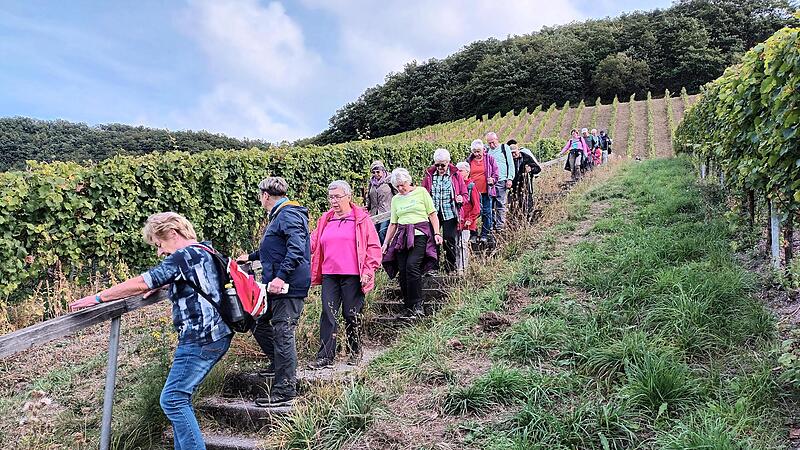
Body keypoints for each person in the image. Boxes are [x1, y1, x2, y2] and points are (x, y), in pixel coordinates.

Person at [69, 212, 233, 450]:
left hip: (200, 337)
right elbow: (200, 282)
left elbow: (142, 282)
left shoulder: (182, 256)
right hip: (219, 333)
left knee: (173, 400)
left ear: (173, 233)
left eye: (159, 244)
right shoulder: (206, 251)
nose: (159, 252)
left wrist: (97, 297)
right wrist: (168, 283)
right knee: (178, 398)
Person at [238, 176, 310, 407]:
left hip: (287, 285)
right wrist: (249, 257)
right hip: (276, 284)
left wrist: (280, 276)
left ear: (265, 196)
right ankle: (277, 365)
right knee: (258, 323)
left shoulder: (288, 214)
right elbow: (274, 248)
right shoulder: (280, 215)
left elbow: (296, 248)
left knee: (282, 332)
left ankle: (285, 390)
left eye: (260, 196)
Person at [308, 180, 381, 369]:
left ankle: (355, 351)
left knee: (351, 314)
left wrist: (368, 269)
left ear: (348, 197)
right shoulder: (325, 219)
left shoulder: (361, 219)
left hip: (353, 275)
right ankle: (325, 356)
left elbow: (373, 247)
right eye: (330, 197)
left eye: (337, 197)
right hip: (329, 274)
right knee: (328, 313)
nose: (333, 201)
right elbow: (312, 242)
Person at [381, 168, 442, 318]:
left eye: (403, 185)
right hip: (402, 236)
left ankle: (418, 305)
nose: (401, 189)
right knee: (402, 271)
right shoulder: (396, 199)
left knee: (412, 266)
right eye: (397, 187)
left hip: (420, 234)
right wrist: (385, 243)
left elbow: (432, 214)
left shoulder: (421, 192)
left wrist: (436, 233)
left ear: (409, 181)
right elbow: (393, 223)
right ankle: (407, 306)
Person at [421, 148, 467, 273]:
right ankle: (433, 267)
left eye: (443, 164)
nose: (440, 167)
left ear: (448, 162)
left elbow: (464, 194)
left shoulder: (456, 176)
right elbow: (422, 193)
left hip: (450, 212)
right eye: (437, 164)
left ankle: (450, 268)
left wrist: (460, 198)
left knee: (449, 239)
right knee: (432, 240)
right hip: (433, 213)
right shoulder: (429, 175)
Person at [467, 139, 499, 242]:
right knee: (473, 212)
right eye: (474, 152)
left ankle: (485, 234)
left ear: (483, 150)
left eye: (478, 151)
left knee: (487, 212)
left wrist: (493, 180)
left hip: (486, 190)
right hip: (473, 192)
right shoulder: (469, 160)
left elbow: (496, 172)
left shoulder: (489, 158)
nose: (477, 154)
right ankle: (473, 233)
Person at [485, 132, 516, 232]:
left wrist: (510, 178)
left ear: (497, 140)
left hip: (502, 180)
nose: (491, 145)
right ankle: (492, 225)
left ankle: (500, 225)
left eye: (493, 142)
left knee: (501, 203)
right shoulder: (488, 151)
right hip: (491, 182)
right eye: (489, 143)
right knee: (491, 204)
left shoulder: (504, 148)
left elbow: (510, 164)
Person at [455, 161, 480, 273]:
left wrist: (470, 219)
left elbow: (477, 207)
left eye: (461, 171)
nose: (458, 173)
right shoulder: (454, 186)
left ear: (467, 172)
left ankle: (463, 269)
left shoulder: (471, 186)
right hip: (456, 222)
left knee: (463, 244)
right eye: (457, 171)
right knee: (456, 245)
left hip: (466, 223)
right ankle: (456, 267)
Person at [365, 160, 394, 243]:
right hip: (374, 212)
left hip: (386, 211)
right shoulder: (371, 182)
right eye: (374, 172)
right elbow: (369, 196)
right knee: (375, 234)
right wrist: (368, 206)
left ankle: (385, 251)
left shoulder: (389, 181)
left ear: (383, 171)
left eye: (378, 172)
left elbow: (396, 194)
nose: (376, 174)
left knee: (383, 232)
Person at [508, 140, 539, 218]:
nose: (513, 154)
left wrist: (531, 169)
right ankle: (515, 220)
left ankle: (529, 219)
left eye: (515, 152)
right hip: (514, 186)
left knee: (527, 204)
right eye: (511, 153)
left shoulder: (526, 157)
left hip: (526, 185)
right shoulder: (508, 160)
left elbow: (538, 169)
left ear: (518, 150)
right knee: (512, 204)